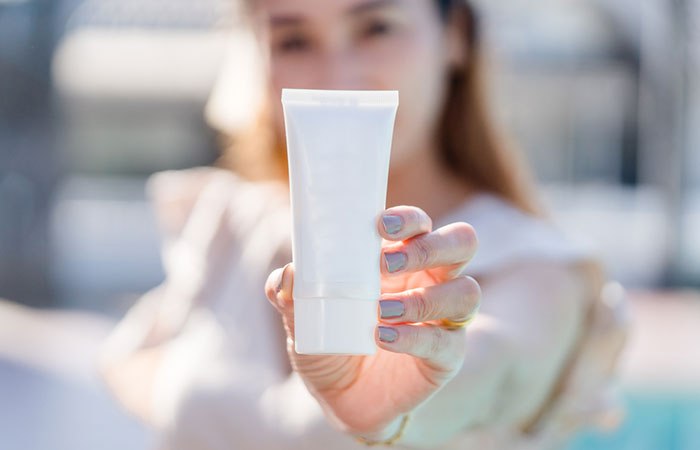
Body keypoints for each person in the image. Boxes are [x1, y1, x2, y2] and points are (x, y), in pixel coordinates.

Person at [98, 0, 629, 448]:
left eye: (376, 28)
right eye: (294, 41)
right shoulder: (234, 223)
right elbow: (125, 359)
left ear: (456, 35)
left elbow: (491, 368)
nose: (338, 79)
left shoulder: (534, 269)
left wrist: (398, 408)